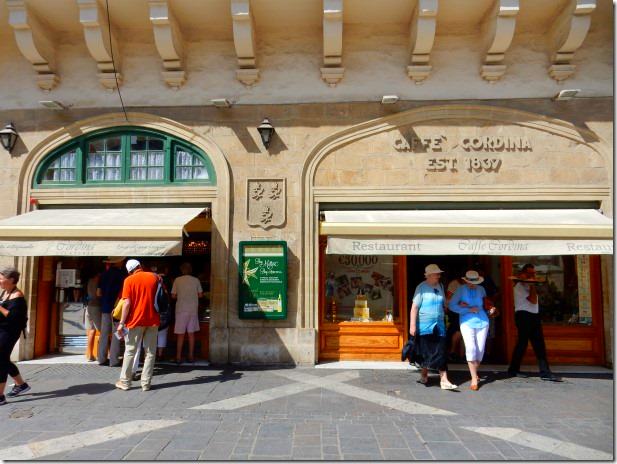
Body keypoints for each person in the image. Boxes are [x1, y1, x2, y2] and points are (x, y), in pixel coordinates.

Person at [507, 263, 561, 382]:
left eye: (533, 273)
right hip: (523, 315)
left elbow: (536, 298)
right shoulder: (519, 287)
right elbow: (532, 300)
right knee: (522, 344)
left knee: (539, 344)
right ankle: (513, 369)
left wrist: (532, 284)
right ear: (523, 274)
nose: (532, 275)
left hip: (533, 315)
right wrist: (532, 285)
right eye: (529, 273)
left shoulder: (528, 285)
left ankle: (545, 372)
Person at [409, 264, 457, 390]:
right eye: (436, 274)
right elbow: (414, 307)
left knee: (441, 351)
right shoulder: (421, 287)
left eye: (439, 274)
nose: (439, 276)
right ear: (429, 275)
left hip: (439, 324)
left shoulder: (440, 286)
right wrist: (412, 325)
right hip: (425, 325)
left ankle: (444, 379)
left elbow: (444, 303)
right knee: (426, 351)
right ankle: (424, 375)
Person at [116, 259, 160, 391]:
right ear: (140, 266)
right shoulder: (155, 277)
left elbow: (127, 304)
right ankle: (146, 383)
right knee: (150, 352)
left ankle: (125, 382)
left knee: (130, 351)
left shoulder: (129, 280)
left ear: (130, 271)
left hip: (135, 320)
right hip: (153, 319)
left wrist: (121, 322)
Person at [449, 270, 495, 391]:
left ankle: (474, 371)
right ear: (465, 280)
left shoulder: (481, 290)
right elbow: (451, 305)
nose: (472, 284)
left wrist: (490, 310)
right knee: (471, 348)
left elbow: (485, 305)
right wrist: (467, 310)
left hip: (483, 321)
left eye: (474, 282)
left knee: (480, 349)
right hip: (466, 321)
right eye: (469, 282)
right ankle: (474, 378)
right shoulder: (460, 290)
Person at [0, 266, 30, 405]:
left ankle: (0, 396)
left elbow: (13, 318)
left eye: (1, 278)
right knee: (3, 359)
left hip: (9, 332)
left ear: (11, 280)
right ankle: (21, 384)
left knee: (1, 361)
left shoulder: (18, 296)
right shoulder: (5, 292)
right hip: (2, 330)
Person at [96, 257, 126, 366]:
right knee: (116, 334)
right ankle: (114, 360)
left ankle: (101, 358)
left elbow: (98, 293)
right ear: (118, 262)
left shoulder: (104, 274)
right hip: (117, 308)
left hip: (105, 307)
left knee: (103, 333)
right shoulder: (122, 275)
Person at [171, 262, 203, 363]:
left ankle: (178, 357)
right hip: (192, 309)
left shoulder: (177, 280)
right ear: (190, 270)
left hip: (181, 309)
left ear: (182, 270)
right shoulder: (196, 280)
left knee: (180, 334)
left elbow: (173, 295)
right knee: (191, 334)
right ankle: (191, 356)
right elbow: (201, 294)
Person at [445, 274, 465, 363]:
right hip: (454, 311)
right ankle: (452, 352)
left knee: (459, 331)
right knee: (458, 331)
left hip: (461, 311)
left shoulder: (465, 285)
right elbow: (449, 297)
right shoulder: (454, 284)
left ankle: (460, 354)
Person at [84, 271, 102, 362]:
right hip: (96, 306)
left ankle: (90, 355)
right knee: (102, 331)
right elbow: (99, 294)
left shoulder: (89, 281)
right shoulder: (98, 282)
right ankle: (104, 354)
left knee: (91, 331)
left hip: (88, 307)